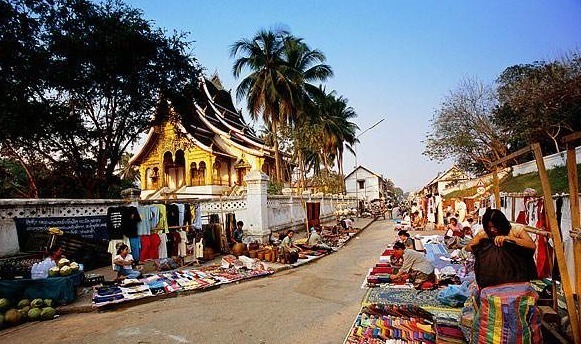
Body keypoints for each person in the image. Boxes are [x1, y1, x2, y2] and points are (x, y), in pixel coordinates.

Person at [464, 208, 541, 343]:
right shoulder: (485, 234)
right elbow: (469, 247)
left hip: (518, 282)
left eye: (495, 226)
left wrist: (509, 239)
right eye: (489, 227)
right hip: (491, 285)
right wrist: (483, 239)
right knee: (490, 319)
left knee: (518, 318)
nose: (493, 230)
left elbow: (531, 246)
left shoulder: (516, 230)